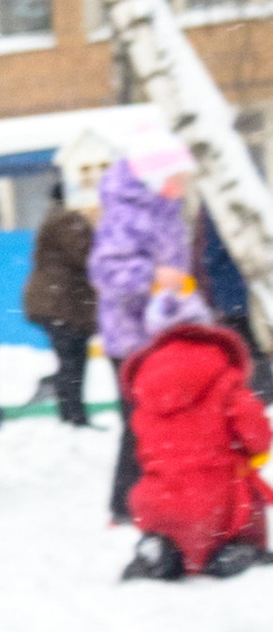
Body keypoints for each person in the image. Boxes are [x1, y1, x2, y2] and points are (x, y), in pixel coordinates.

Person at [120, 284, 271, 584]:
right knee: (243, 513)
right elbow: (255, 431)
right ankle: (234, 552)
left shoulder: (145, 384)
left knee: (168, 526)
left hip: (162, 498)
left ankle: (162, 551)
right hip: (221, 498)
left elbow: (142, 444)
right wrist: (255, 451)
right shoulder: (224, 373)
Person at [93, 133, 199, 521]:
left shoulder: (165, 211)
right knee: (140, 424)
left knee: (166, 423)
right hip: (131, 340)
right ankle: (125, 505)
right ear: (157, 177)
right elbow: (107, 271)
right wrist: (156, 278)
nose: (184, 187)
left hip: (161, 333)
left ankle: (162, 497)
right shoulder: (126, 214)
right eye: (179, 178)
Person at [21, 182, 97, 426]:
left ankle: (70, 411)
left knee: (73, 359)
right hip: (60, 303)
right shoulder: (67, 220)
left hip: (59, 302)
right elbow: (85, 254)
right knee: (73, 360)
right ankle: (73, 416)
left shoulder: (58, 217)